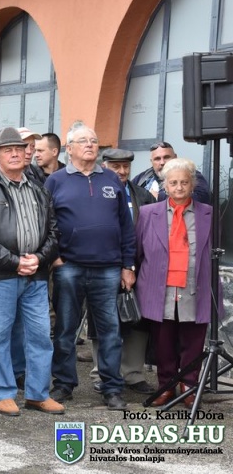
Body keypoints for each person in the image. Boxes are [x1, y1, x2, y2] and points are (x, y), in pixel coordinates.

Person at [0, 128, 63, 416]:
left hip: (35, 276)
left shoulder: (39, 190)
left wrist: (39, 258)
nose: (14, 154)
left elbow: (53, 232)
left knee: (40, 335)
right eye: (7, 150)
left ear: (27, 153)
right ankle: (2, 393)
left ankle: (37, 394)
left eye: (19, 149)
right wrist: (14, 262)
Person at [45, 126, 135, 411]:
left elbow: (126, 225)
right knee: (65, 330)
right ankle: (63, 384)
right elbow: (45, 222)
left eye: (94, 141)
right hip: (69, 267)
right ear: (69, 148)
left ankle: (112, 388)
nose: (90, 145)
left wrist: (128, 264)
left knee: (110, 332)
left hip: (108, 268)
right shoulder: (55, 181)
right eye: (83, 141)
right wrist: (55, 257)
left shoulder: (111, 178)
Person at [136, 158, 219, 408]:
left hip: (195, 285)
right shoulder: (148, 213)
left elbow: (214, 250)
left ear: (192, 184)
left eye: (184, 182)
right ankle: (166, 386)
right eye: (173, 183)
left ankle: (189, 387)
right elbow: (137, 250)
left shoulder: (208, 213)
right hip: (160, 286)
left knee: (193, 341)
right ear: (165, 186)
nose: (179, 187)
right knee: (163, 342)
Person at [86, 148, 156, 395]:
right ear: (104, 166)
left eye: (126, 166)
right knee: (101, 319)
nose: (122, 171)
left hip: (137, 266)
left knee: (137, 319)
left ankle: (133, 374)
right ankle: (101, 372)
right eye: (116, 166)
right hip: (101, 264)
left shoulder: (143, 195)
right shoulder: (92, 190)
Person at [131, 141, 210, 203]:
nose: (162, 162)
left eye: (166, 157)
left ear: (175, 157)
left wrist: (159, 197)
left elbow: (202, 198)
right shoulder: (142, 178)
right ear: (151, 161)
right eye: (157, 159)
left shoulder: (188, 173)